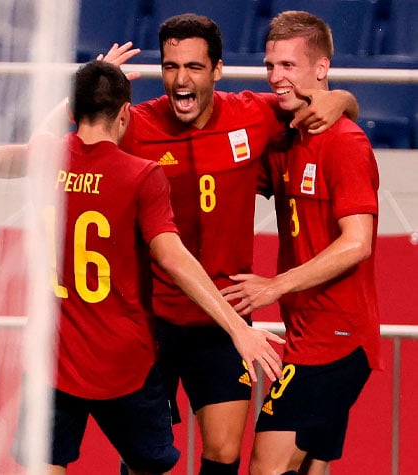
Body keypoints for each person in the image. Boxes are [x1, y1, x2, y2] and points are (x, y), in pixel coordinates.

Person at [97, 15, 359, 474]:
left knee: (223, 452)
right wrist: (94, 83)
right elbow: (69, 136)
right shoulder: (134, 124)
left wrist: (342, 98)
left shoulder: (253, 113)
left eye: (194, 67)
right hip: (150, 318)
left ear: (217, 70)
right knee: (145, 459)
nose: (182, 79)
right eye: (171, 66)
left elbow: (322, 104)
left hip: (223, 317)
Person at [26, 60, 283, 474]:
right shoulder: (140, 173)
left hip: (55, 356)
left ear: (73, 110)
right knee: (150, 465)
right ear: (125, 112)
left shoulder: (45, 157)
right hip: (124, 359)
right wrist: (238, 327)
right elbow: (172, 255)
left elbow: (22, 147)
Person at [220, 11, 381, 474]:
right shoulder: (287, 138)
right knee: (310, 466)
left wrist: (274, 286)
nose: (276, 77)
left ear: (321, 68)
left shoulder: (346, 143)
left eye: (288, 66)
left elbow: (358, 243)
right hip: (310, 334)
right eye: (271, 66)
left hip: (335, 339)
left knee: (266, 468)